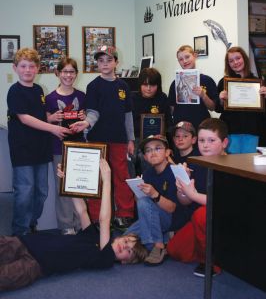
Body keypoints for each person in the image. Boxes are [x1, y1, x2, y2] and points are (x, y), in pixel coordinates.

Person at [0, 159, 148, 292]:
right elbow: (82, 211)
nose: (125, 246)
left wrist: (107, 181)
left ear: (124, 262)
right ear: (123, 237)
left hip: (36, 264)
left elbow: (104, 220)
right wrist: (68, 181)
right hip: (29, 242)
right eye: (127, 241)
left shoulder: (105, 258)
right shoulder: (94, 236)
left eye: (128, 251)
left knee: (5, 277)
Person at [7, 48, 71, 236]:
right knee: (25, 192)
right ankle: (20, 232)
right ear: (15, 68)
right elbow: (25, 118)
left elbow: (39, 115)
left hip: (41, 149)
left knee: (41, 192)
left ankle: (31, 224)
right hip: (23, 151)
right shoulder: (15, 91)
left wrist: (51, 118)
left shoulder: (38, 90)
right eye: (23, 66)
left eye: (32, 66)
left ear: (38, 69)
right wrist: (53, 128)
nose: (28, 70)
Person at [70, 45, 135, 230]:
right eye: (100, 61)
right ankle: (97, 216)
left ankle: (124, 214)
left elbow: (128, 115)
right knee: (97, 178)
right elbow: (93, 112)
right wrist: (86, 123)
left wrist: (130, 139)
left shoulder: (123, 86)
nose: (105, 64)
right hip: (97, 140)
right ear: (97, 64)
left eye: (109, 60)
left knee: (121, 176)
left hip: (119, 139)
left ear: (116, 62)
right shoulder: (93, 86)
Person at [167, 118, 229, 277]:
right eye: (202, 140)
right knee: (174, 250)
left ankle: (211, 261)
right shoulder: (197, 163)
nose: (205, 145)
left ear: (224, 143)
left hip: (226, 219)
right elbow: (185, 201)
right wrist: (183, 188)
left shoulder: (231, 165)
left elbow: (220, 203)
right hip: (200, 221)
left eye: (211, 140)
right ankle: (212, 249)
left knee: (202, 214)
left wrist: (192, 193)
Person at [125, 135, 189, 266]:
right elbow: (143, 206)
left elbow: (172, 208)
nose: (152, 153)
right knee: (125, 237)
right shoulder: (148, 173)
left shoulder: (174, 172)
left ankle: (158, 246)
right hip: (153, 217)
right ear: (145, 156)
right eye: (148, 150)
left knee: (144, 206)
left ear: (167, 152)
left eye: (158, 148)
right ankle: (163, 239)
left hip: (173, 219)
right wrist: (138, 191)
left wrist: (154, 194)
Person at [46, 57, 86, 235]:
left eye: (71, 72)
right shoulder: (50, 98)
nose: (68, 75)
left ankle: (80, 222)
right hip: (58, 148)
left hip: (80, 147)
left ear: (76, 74)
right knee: (62, 186)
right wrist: (51, 119)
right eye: (65, 71)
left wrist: (84, 118)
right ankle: (66, 225)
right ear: (58, 73)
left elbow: (89, 121)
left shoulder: (82, 96)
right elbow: (44, 121)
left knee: (79, 186)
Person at [216, 46, 266, 153]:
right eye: (231, 61)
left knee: (248, 165)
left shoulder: (258, 82)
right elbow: (218, 108)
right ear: (228, 64)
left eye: (238, 58)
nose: (235, 62)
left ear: (244, 59)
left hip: (253, 131)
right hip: (231, 131)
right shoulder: (223, 82)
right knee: (231, 165)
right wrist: (221, 98)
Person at [131, 67, 173, 175]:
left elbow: (168, 122)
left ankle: (149, 184)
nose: (148, 88)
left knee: (150, 157)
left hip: (156, 138)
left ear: (158, 86)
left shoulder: (162, 98)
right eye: (145, 85)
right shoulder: (132, 98)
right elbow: (126, 123)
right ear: (140, 84)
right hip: (135, 138)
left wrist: (163, 137)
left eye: (153, 85)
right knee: (132, 157)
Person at [168, 45, 218, 130]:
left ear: (194, 56)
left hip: (202, 126)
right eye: (181, 59)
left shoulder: (207, 80)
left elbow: (212, 107)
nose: (185, 61)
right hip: (181, 128)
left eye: (187, 57)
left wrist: (203, 95)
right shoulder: (175, 83)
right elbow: (171, 109)